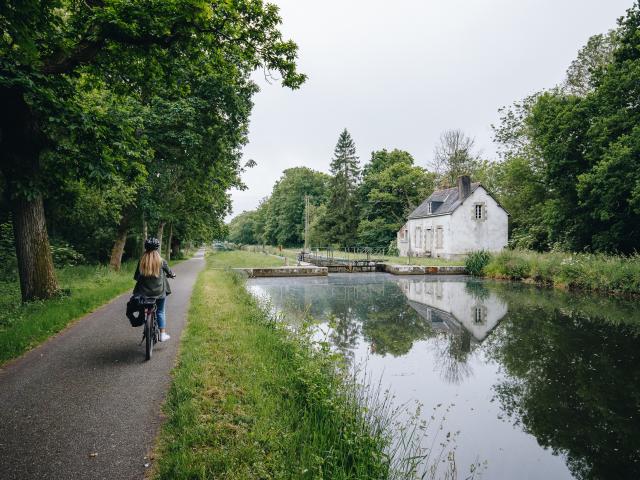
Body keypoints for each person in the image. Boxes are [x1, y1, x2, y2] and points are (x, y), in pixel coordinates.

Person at [133, 237, 176, 342]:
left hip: (143, 293)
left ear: (146, 248)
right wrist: (172, 275)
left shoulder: (142, 261)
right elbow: (170, 273)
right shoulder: (161, 261)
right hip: (159, 293)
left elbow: (136, 277)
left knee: (144, 307)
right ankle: (162, 334)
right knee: (160, 311)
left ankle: (146, 320)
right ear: (157, 249)